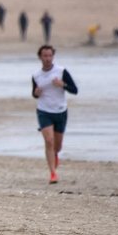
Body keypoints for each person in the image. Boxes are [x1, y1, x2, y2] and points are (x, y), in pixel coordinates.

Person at [31, 45, 78, 184]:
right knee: (49, 141)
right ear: (40, 57)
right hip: (44, 111)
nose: (47, 59)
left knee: (57, 146)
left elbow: (74, 90)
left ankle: (55, 154)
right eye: (44, 56)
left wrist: (62, 84)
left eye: (50, 56)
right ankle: (53, 173)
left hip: (60, 111)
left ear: (53, 56)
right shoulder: (36, 75)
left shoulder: (61, 71)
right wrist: (36, 93)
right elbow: (34, 93)